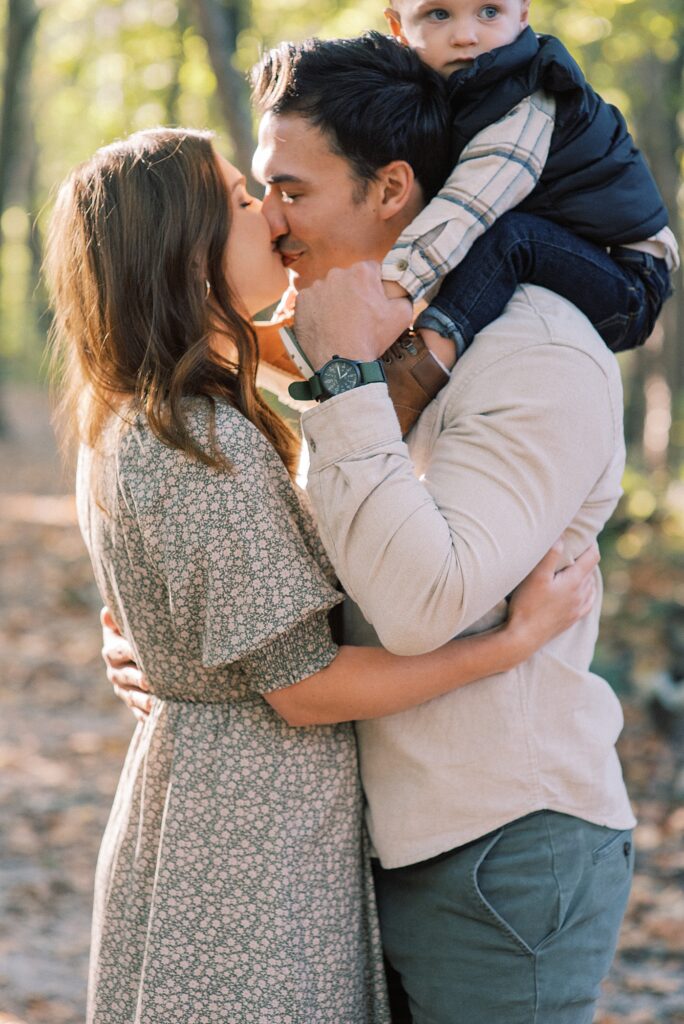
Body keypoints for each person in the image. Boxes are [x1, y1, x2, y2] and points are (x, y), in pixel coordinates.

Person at [47, 127, 598, 1023]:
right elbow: (302, 691)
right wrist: (513, 641)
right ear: (184, 255)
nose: (269, 211)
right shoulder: (198, 439)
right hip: (247, 843)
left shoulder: (151, 409)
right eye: (239, 198)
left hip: (239, 814)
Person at [379, 0, 678, 359]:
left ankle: (425, 361)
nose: (465, 36)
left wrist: (387, 287)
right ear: (398, 28)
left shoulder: (528, 99)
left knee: (512, 237)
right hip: (568, 245)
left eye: (489, 12)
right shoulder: (447, 90)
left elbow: (468, 203)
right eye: (438, 14)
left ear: (522, 16)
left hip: (626, 282)